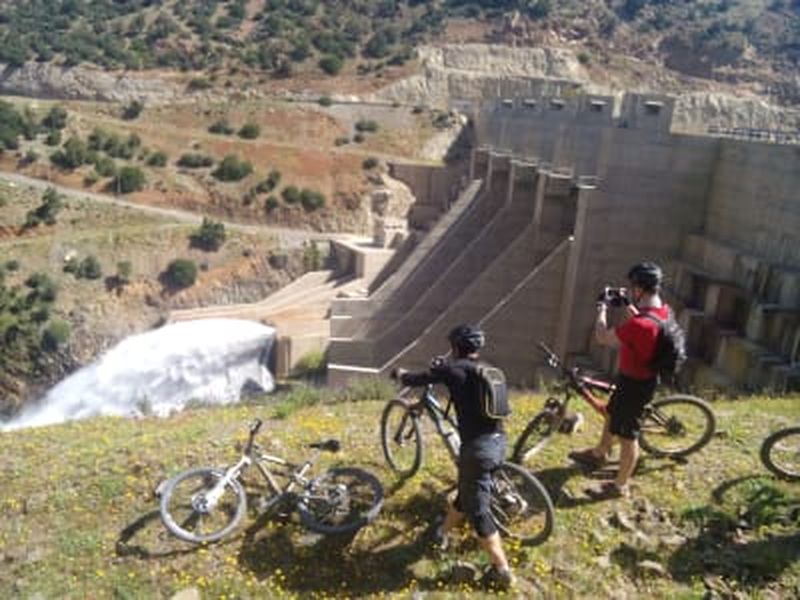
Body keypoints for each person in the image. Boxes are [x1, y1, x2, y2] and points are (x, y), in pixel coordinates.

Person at [392, 324, 515, 590]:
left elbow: (417, 379)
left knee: (478, 511)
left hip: (477, 451)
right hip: (499, 441)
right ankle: (441, 532)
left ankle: (502, 569)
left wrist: (400, 374)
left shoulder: (454, 369)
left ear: (457, 347)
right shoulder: (488, 370)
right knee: (466, 490)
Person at [569, 261, 669, 499]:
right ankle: (600, 453)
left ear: (639, 288)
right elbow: (642, 319)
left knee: (628, 436)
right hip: (634, 379)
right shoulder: (662, 311)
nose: (630, 290)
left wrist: (601, 308)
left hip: (636, 384)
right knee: (612, 414)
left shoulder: (639, 326)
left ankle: (619, 486)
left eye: (632, 287)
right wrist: (626, 305)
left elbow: (603, 337)